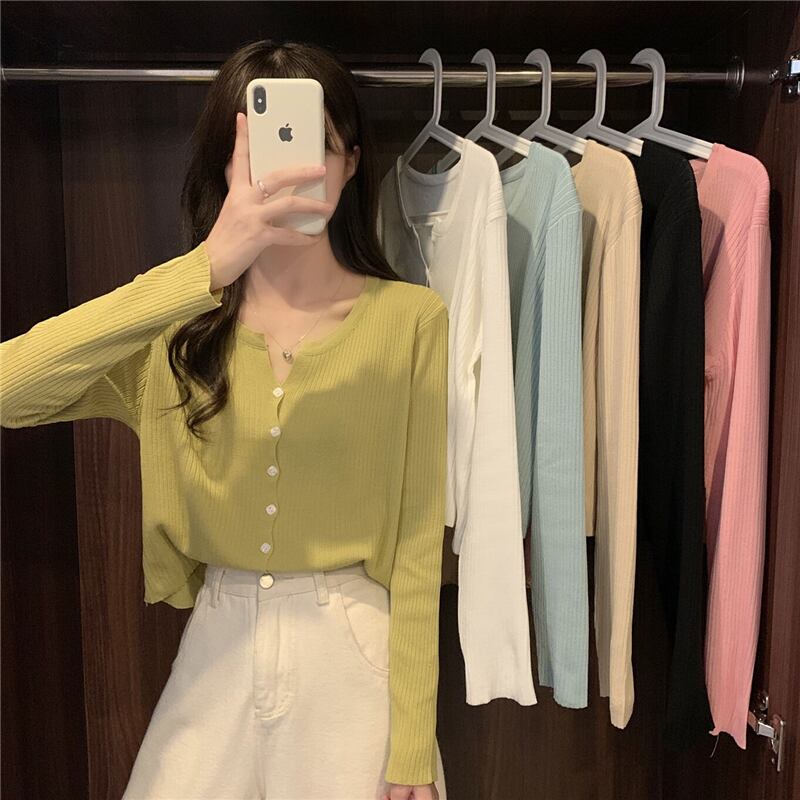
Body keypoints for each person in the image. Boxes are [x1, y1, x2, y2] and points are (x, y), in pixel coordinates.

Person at [0, 39, 448, 800]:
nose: (294, 170)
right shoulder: (173, 336)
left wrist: (410, 744)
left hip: (355, 654)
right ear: (227, 167)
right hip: (218, 640)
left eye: (318, 145)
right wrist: (204, 269)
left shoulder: (411, 320)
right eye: (266, 149)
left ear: (349, 163)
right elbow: (12, 387)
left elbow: (416, 545)